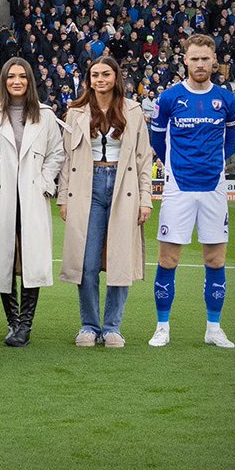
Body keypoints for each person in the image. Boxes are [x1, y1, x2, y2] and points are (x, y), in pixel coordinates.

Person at [148, 34, 235, 349]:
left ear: (214, 61)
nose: (200, 64)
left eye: (205, 58)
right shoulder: (170, 98)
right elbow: (157, 141)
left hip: (214, 188)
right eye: (194, 58)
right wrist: (176, 167)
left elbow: (232, 142)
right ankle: (162, 327)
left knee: (215, 259)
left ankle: (213, 328)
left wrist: (213, 165)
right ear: (184, 60)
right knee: (168, 258)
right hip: (178, 189)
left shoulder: (226, 99)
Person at [57, 56, 152, 348]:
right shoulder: (75, 112)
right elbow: (66, 157)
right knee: (86, 262)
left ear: (116, 78)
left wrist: (145, 199)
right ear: (89, 79)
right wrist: (63, 196)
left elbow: (143, 157)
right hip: (88, 186)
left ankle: (112, 327)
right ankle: (89, 324)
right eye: (95, 75)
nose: (100, 79)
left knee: (120, 260)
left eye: (105, 74)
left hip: (124, 188)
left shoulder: (133, 110)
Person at [0, 58, 65, 347]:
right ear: (3, 80)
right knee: (3, 260)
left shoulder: (46, 115)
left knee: (31, 260)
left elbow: (56, 154)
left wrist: (45, 182)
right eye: (11, 76)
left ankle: (25, 324)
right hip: (0, 196)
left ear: (30, 81)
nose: (16, 81)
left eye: (22, 77)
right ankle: (12, 322)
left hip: (32, 196)